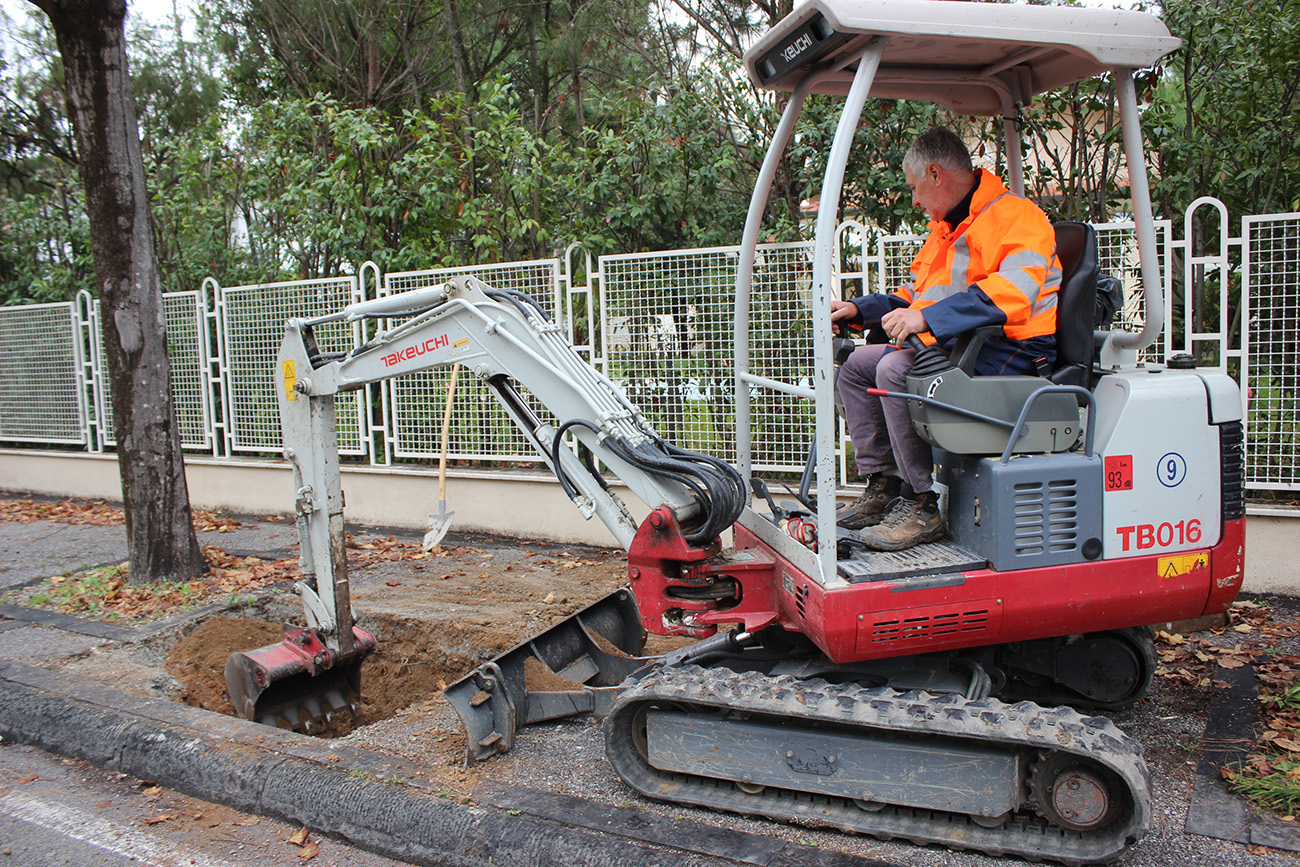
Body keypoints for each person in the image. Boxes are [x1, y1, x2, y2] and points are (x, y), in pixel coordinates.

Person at [831, 127, 1061, 551]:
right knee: (856, 368)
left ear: (935, 173)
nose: (915, 201)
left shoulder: (1018, 217)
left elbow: (1013, 293)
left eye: (915, 188)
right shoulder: (948, 229)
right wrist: (859, 310)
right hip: (959, 342)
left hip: (1012, 349)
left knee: (894, 367)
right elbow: (916, 298)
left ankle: (922, 506)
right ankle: (885, 486)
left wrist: (927, 319)